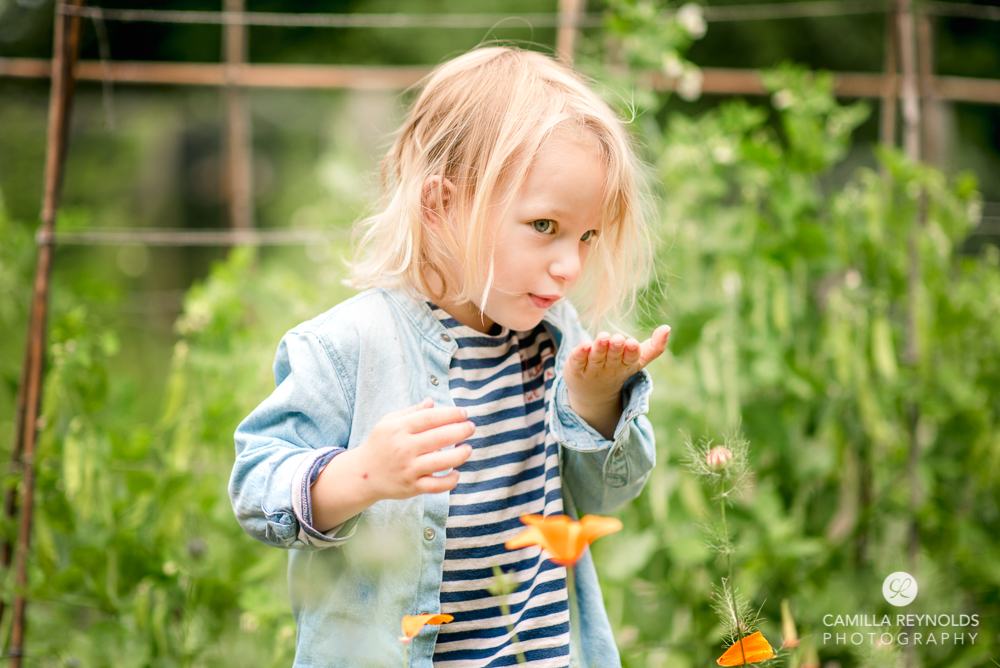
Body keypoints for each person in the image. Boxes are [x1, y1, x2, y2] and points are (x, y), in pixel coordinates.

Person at [230, 46, 670, 668]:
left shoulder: (555, 338)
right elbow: (256, 488)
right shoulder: (349, 345)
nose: (570, 266)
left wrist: (596, 403)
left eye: (587, 236)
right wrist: (363, 476)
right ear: (440, 207)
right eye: (544, 226)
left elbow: (604, 500)